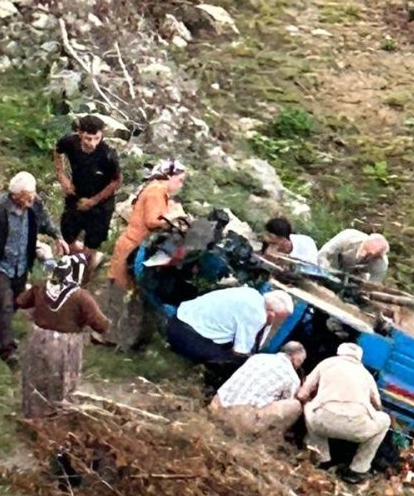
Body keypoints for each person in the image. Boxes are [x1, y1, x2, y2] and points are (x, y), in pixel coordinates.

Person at [0, 171, 68, 369]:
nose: (32, 198)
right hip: (0, 264)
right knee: (5, 304)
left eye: (33, 193)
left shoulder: (34, 205)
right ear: (15, 195)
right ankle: (8, 351)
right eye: (28, 195)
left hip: (21, 264)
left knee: (17, 301)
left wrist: (58, 237)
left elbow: (45, 221)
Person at [14, 255, 109, 418]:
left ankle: (34, 412)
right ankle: (58, 415)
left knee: (36, 377)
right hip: (65, 344)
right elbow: (101, 325)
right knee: (62, 379)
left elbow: (21, 301)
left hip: (38, 338)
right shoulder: (80, 296)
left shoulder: (42, 286)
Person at [297, 342, 391, 484]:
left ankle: (321, 458)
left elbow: (302, 394)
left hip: (323, 423)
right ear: (359, 358)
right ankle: (358, 470)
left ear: (338, 352)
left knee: (309, 408)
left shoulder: (326, 363)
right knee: (385, 420)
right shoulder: (367, 375)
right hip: (357, 428)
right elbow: (378, 406)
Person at [167, 286, 294, 376]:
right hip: (185, 335)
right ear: (272, 313)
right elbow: (241, 352)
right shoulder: (257, 315)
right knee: (238, 364)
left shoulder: (251, 293)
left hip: (177, 320)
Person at [54, 115, 122, 274]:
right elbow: (58, 151)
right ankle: (79, 258)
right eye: (88, 139)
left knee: (91, 243)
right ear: (80, 134)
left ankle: (86, 270)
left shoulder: (107, 154)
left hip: (101, 202)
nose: (92, 143)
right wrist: (61, 176)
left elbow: (116, 181)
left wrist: (93, 201)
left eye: (97, 138)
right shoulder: (69, 142)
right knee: (67, 234)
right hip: (77, 193)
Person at [105, 159, 187, 292]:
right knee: (119, 290)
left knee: (124, 288)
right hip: (131, 246)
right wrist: (174, 215)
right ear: (169, 176)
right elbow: (152, 221)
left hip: (133, 246)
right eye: (180, 180)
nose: (181, 185)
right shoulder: (156, 192)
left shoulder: (156, 189)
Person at [209, 341, 307, 438]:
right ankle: (267, 441)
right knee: (295, 406)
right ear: (296, 359)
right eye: (301, 362)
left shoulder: (257, 357)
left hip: (216, 405)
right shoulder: (292, 378)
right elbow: (284, 408)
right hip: (240, 419)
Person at [317, 229, 390, 283]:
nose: (364, 254)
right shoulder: (347, 237)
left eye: (370, 254)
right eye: (365, 249)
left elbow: (374, 283)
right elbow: (323, 254)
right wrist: (326, 270)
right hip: (333, 262)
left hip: (356, 275)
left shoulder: (382, 263)